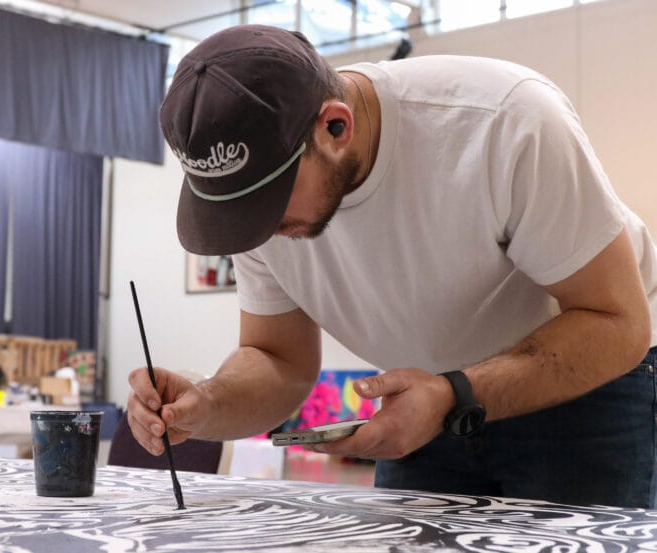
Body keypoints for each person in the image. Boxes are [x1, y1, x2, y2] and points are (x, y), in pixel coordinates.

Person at [128, 24, 657, 508]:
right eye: (235, 209)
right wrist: (207, 402)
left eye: (268, 201)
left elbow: (618, 323)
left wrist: (455, 394)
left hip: (586, 387)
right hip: (422, 405)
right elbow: (278, 360)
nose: (258, 229)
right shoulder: (256, 195)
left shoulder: (504, 123)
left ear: (335, 127)